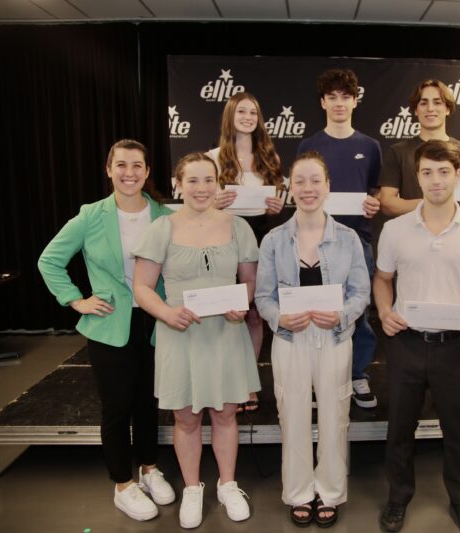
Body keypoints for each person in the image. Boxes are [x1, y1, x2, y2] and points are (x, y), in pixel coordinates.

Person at [374, 140, 460, 533]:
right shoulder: (395, 230)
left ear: (458, 175)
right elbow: (382, 280)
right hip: (406, 344)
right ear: (417, 176)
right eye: (428, 172)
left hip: (458, 347)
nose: (436, 180)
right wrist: (384, 311)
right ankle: (397, 499)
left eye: (444, 172)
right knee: (399, 428)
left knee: (458, 430)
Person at [37, 139, 175, 522]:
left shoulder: (164, 215)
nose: (129, 173)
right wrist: (76, 299)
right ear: (108, 169)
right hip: (110, 324)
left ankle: (149, 467)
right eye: (121, 165)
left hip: (155, 321)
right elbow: (49, 260)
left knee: (150, 401)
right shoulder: (90, 216)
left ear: (148, 172)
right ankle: (122, 484)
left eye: (137, 166)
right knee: (117, 408)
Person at [132, 152, 259, 529]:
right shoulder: (161, 229)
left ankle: (228, 484)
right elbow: (142, 288)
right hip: (180, 334)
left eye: (209, 180)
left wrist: (243, 303)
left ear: (218, 183)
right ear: (178, 184)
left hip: (225, 333)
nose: (201, 188)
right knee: (186, 418)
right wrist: (167, 313)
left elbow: (250, 281)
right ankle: (192, 488)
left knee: (225, 413)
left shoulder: (239, 228)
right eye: (193, 180)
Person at [255, 152, 370, 528]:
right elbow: (263, 297)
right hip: (291, 339)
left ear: (328, 186)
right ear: (289, 186)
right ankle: (299, 492)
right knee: (293, 415)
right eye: (300, 181)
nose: (307, 188)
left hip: (335, 338)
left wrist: (342, 315)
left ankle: (331, 491)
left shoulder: (349, 238)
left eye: (315, 180)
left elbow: (360, 293)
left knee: (336, 415)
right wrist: (279, 317)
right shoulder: (273, 240)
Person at [297, 68, 381, 409]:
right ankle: (319, 379)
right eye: (332, 97)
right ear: (322, 102)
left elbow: (374, 191)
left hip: (357, 242)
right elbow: (303, 191)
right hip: (314, 241)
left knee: (358, 312)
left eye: (346, 97)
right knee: (317, 311)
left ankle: (357, 374)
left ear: (355, 101)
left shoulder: (370, 146)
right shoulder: (310, 145)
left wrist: (374, 204)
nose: (339, 103)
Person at [206, 91, 285, 412]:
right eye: (242, 111)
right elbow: (199, 203)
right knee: (227, 313)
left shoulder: (270, 159)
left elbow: (274, 206)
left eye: (253, 112)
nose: (248, 116)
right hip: (225, 236)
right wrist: (214, 202)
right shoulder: (213, 157)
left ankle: (249, 383)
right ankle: (226, 381)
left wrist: (278, 206)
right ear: (230, 115)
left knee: (253, 313)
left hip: (261, 237)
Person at [378, 79, 460, 217]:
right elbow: (387, 203)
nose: (430, 108)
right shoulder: (398, 152)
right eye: (423, 103)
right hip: (412, 234)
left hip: (456, 235)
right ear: (415, 110)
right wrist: (433, 203)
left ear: (448, 109)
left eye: (437, 102)